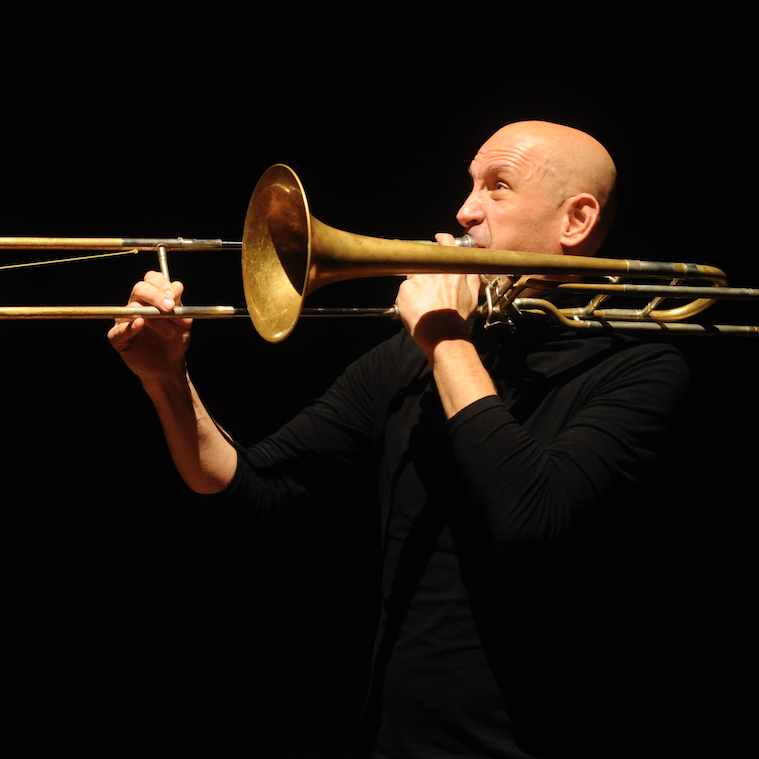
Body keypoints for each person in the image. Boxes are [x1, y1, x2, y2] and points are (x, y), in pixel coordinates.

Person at [108, 121, 688, 758]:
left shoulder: (639, 368)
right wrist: (167, 381)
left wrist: (447, 341)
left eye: (498, 187)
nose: (465, 211)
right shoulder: (409, 358)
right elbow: (253, 493)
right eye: (471, 185)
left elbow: (528, 518)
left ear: (575, 221)